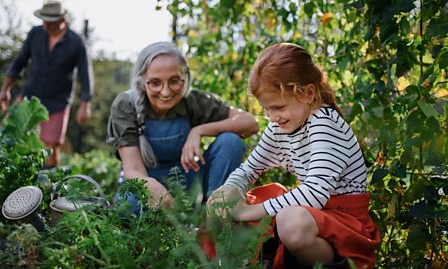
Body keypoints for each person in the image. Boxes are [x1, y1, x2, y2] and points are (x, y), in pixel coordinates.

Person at [207, 43, 380, 269]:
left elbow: (316, 193)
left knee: (290, 222)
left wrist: (246, 211)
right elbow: (249, 169)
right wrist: (231, 189)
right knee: (219, 200)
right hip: (313, 214)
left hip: (343, 222)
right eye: (266, 109)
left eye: (278, 107)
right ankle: (244, 262)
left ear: (308, 93)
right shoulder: (281, 126)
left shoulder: (324, 123)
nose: (272, 117)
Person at [107, 41, 259, 210]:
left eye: (174, 81)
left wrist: (199, 131)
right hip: (145, 182)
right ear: (142, 82)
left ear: (184, 77)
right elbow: (133, 169)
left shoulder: (193, 101)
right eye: (155, 83)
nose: (165, 92)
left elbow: (250, 123)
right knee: (132, 205)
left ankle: (216, 212)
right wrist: (157, 192)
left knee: (230, 141)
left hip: (189, 182)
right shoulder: (126, 105)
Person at [0, 1, 93, 168]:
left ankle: (47, 186)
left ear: (62, 19)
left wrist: (85, 104)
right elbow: (19, 62)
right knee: (7, 135)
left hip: (57, 102)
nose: (46, 24)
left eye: (51, 21)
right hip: (30, 96)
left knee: (50, 148)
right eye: (44, 20)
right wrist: (5, 89)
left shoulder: (76, 42)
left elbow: (85, 74)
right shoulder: (36, 34)